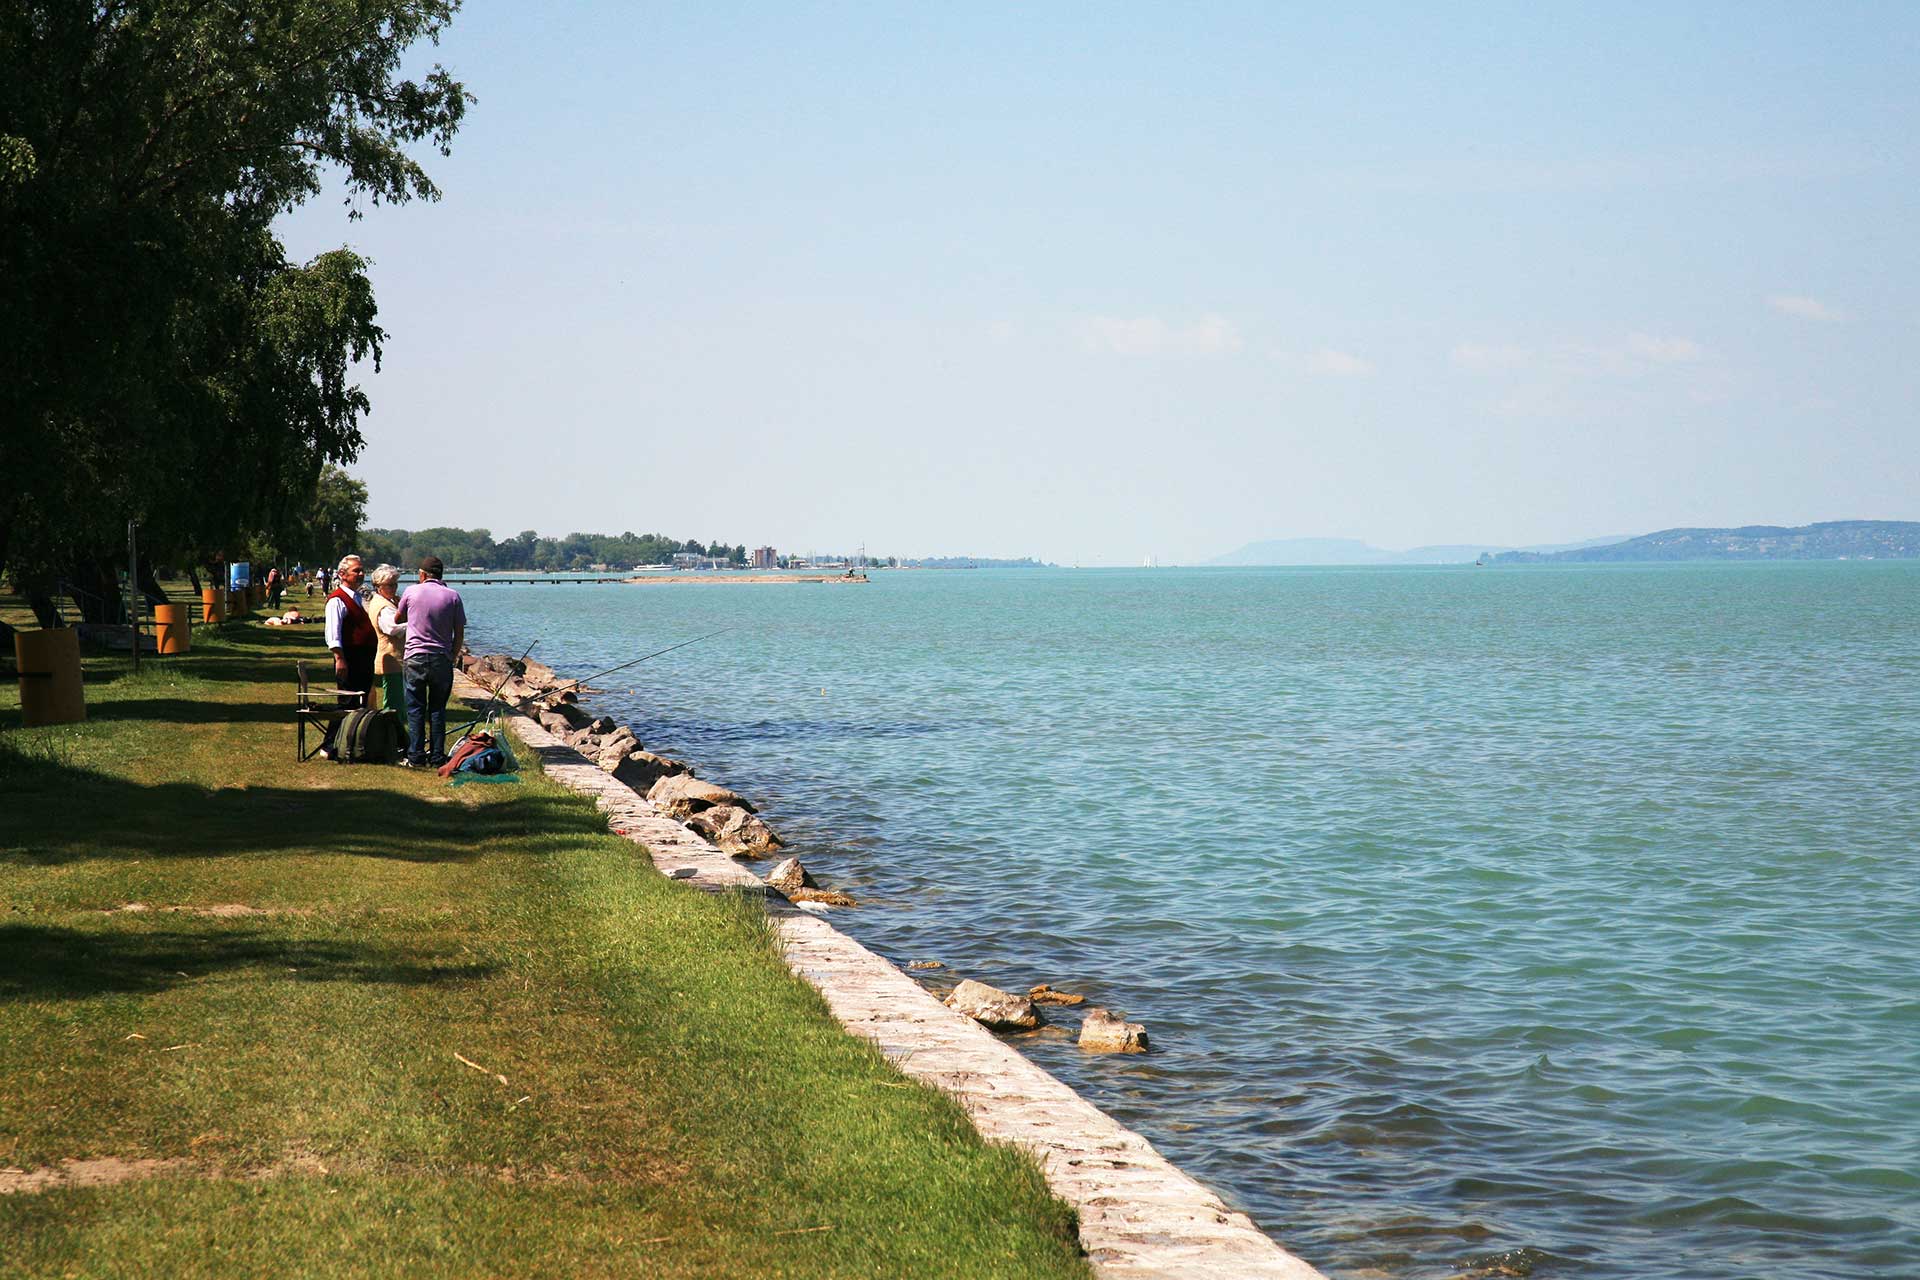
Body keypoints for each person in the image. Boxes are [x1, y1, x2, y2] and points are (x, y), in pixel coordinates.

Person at [393, 556, 466, 768]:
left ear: (422, 574)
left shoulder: (411, 592)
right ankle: (436, 756)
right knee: (437, 709)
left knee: (415, 708)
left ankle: (415, 756)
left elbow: (398, 619)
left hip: (415, 656)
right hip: (441, 659)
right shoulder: (453, 596)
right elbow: (458, 631)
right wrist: (453, 655)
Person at [322, 554, 374, 710]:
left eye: (362, 570)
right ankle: (336, 734)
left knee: (361, 703)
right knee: (348, 703)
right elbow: (333, 634)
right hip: (351, 658)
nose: (361, 574)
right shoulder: (337, 600)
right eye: (356, 571)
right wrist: (339, 658)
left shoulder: (358, 597)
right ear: (342, 575)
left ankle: (354, 734)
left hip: (364, 659)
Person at [366, 563, 407, 714]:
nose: (394, 588)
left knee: (396, 697)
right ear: (379, 586)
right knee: (393, 701)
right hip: (390, 658)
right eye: (389, 585)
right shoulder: (383, 606)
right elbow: (392, 628)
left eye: (395, 584)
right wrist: (416, 625)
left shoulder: (386, 602)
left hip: (392, 658)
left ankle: (395, 729)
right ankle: (392, 730)